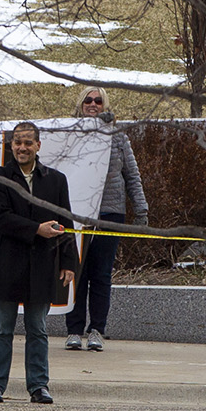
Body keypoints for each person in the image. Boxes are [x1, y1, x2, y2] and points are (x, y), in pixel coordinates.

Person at [0, 122, 78, 404]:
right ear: (10, 146)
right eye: (17, 142)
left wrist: (68, 261)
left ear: (38, 145)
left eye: (27, 142)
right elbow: (1, 218)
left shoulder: (56, 180)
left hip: (42, 264)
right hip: (7, 264)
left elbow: (66, 222)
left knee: (38, 328)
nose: (22, 147)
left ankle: (38, 386)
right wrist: (37, 228)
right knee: (2, 329)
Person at [65, 87, 147, 352]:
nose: (93, 104)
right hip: (77, 214)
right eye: (88, 100)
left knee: (101, 275)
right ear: (81, 104)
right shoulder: (69, 133)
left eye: (98, 100)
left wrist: (141, 210)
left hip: (110, 213)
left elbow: (131, 175)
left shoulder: (117, 137)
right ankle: (74, 330)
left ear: (105, 105)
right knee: (76, 273)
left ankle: (97, 330)